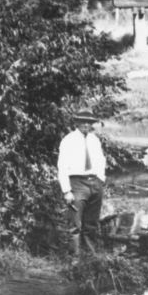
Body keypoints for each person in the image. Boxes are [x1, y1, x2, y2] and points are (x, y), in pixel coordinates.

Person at [57, 110, 106, 256]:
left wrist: (101, 179)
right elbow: (62, 166)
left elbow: (100, 161)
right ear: (76, 123)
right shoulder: (68, 140)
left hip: (94, 183)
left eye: (89, 122)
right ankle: (75, 260)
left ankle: (90, 257)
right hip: (77, 183)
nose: (86, 124)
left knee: (91, 224)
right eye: (83, 121)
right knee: (75, 225)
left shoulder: (94, 140)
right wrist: (66, 190)